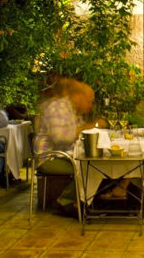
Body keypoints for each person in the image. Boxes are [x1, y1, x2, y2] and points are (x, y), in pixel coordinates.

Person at [34, 75, 94, 217]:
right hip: (48, 157)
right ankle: (64, 202)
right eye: (89, 101)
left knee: (93, 162)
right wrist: (86, 128)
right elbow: (60, 138)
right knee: (88, 166)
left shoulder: (73, 111)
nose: (90, 105)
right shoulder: (57, 108)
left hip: (64, 155)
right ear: (79, 97)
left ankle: (84, 201)